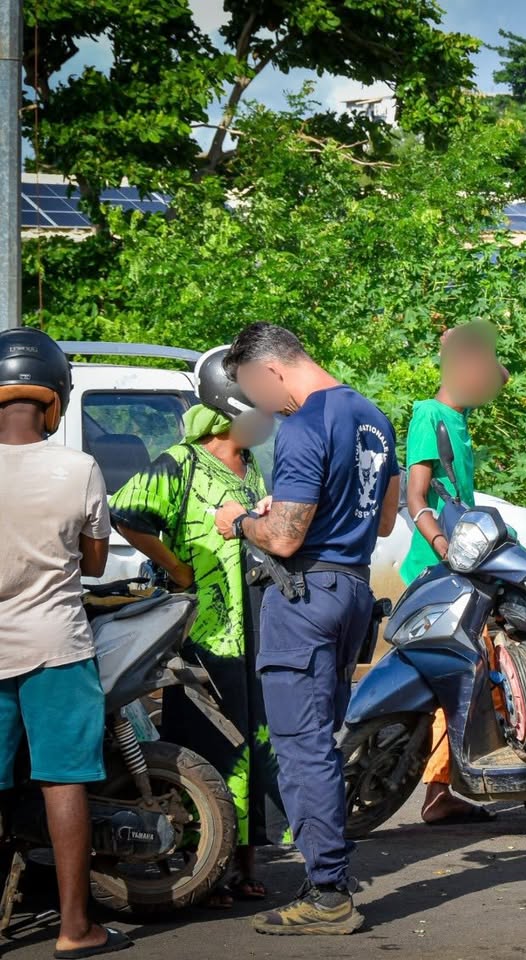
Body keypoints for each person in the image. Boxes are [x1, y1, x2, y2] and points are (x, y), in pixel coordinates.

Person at [214, 323, 400, 935]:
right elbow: (382, 519)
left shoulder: (303, 423)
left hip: (305, 595)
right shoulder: (371, 415)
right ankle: (328, 881)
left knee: (301, 748)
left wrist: (241, 520)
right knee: (319, 739)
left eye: (251, 392)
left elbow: (288, 536)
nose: (259, 408)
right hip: (350, 587)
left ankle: (328, 895)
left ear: (270, 372)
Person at [111, 347, 285, 906]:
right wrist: (176, 567)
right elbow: (125, 514)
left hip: (254, 626)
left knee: (258, 745)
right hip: (206, 636)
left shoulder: (250, 466)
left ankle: (244, 860)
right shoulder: (179, 462)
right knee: (210, 747)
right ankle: (199, 862)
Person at [0, 328, 132, 958]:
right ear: (53, 401)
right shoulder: (78, 468)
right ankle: (75, 929)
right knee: (62, 782)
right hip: (57, 647)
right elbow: (97, 563)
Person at [400, 323, 503, 826]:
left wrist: (461, 344)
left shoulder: (457, 419)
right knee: (458, 680)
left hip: (464, 570)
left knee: (472, 677)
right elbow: (415, 496)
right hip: (436, 571)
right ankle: (439, 789)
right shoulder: (430, 415)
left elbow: (500, 374)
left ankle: (450, 784)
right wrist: (444, 547)